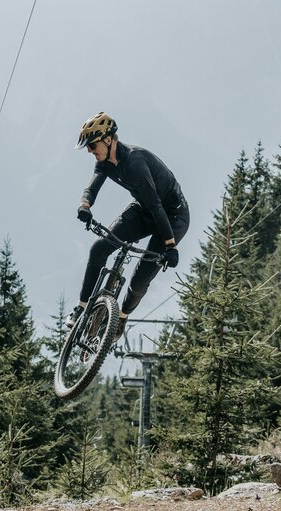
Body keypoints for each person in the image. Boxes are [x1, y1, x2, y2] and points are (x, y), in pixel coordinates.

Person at [67, 111, 190, 341]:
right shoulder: (104, 163)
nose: (90, 151)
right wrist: (84, 205)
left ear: (108, 139)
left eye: (92, 145)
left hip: (173, 216)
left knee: (140, 278)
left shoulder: (135, 163)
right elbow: (92, 187)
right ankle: (82, 307)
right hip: (145, 208)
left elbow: (157, 206)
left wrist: (170, 246)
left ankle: (121, 317)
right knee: (99, 248)